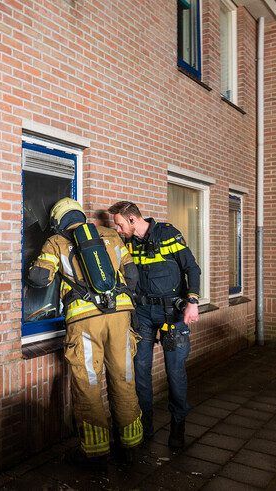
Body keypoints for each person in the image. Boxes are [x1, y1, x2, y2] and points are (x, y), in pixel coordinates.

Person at [27, 198, 143, 465]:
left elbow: (38, 279)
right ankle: (131, 445)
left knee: (89, 383)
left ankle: (97, 451)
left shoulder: (56, 242)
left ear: (58, 221)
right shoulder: (112, 235)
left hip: (85, 320)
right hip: (121, 316)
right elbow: (132, 276)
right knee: (124, 377)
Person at [108, 201, 201, 449]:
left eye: (118, 224)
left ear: (131, 220)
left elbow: (191, 267)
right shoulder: (127, 244)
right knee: (140, 370)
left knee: (175, 371)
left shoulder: (168, 234)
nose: (117, 230)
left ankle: (178, 426)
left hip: (172, 313)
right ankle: (144, 427)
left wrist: (192, 301)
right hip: (143, 314)